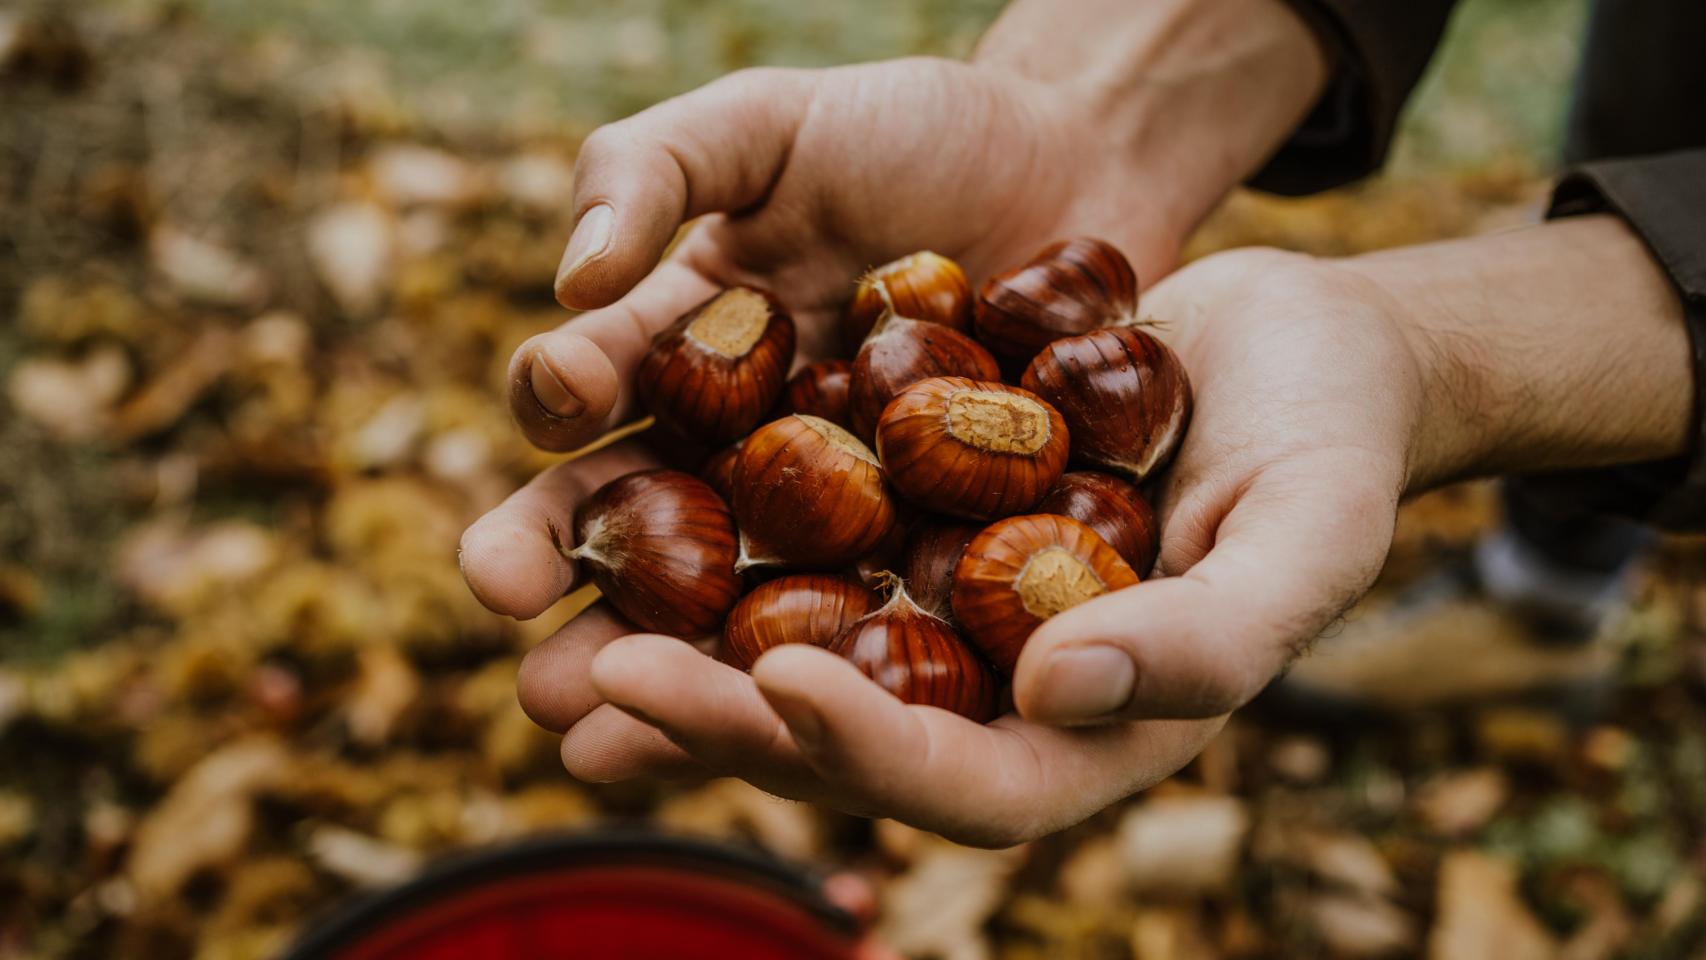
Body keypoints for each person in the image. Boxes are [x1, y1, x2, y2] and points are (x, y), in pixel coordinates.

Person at [458, 0, 1704, 846]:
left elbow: (907, 439)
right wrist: (1093, 110)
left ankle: (1543, 598)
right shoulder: (949, 442)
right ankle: (1550, 577)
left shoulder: (966, 448)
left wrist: (1427, 358)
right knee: (1648, 94)